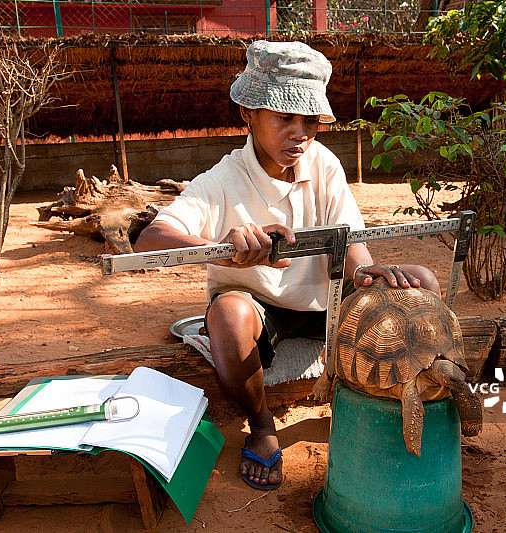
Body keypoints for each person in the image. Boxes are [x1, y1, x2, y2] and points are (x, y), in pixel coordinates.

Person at [134, 40, 440, 490]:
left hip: (325, 304)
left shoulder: (324, 164)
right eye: (284, 118)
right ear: (248, 112)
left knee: (422, 282)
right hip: (263, 314)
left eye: (310, 121)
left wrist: (363, 274)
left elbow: (348, 237)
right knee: (228, 315)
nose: (300, 133)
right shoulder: (221, 181)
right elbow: (149, 240)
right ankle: (261, 425)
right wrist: (222, 247)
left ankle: (390, 403)